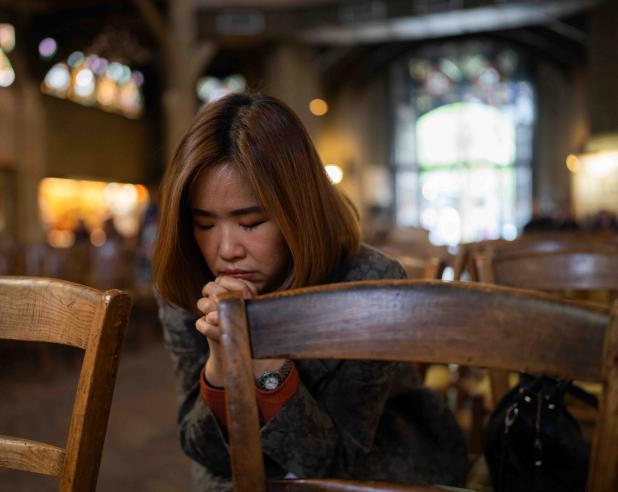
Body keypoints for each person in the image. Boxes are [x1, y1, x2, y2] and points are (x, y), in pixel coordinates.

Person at [152, 93, 467, 491]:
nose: (226, 249)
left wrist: (263, 359)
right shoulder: (184, 279)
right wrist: (220, 366)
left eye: (250, 222)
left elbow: (330, 461)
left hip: (375, 462)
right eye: (205, 224)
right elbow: (204, 450)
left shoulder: (367, 283)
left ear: (297, 212)